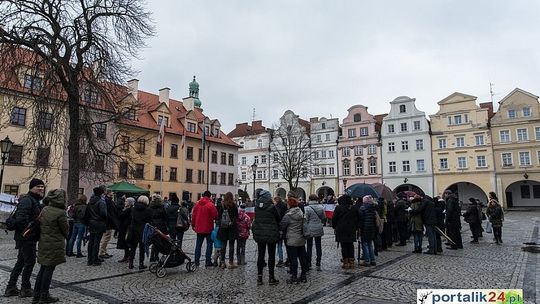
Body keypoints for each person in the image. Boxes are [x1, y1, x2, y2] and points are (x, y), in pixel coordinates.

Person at [4, 178, 44, 298]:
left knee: (21, 262)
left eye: (42, 187)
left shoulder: (34, 200)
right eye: (38, 186)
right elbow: (22, 220)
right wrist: (29, 231)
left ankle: (11, 287)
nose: (41, 189)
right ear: (32, 187)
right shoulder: (28, 200)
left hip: (27, 237)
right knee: (29, 262)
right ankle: (25, 288)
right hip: (26, 237)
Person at [33, 189, 69, 303]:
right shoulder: (60, 212)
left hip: (44, 242)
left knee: (43, 268)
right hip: (54, 244)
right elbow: (66, 230)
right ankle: (44, 296)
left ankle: (36, 295)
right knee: (49, 269)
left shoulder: (45, 209)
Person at [252, 190, 280, 286]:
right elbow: (278, 217)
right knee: (271, 256)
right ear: (268, 197)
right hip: (271, 233)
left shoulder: (256, 207)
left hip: (260, 233)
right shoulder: (272, 207)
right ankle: (271, 277)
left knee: (261, 255)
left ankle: (259, 278)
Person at [281, 195, 308, 284]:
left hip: (292, 238)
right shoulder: (301, 212)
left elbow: (282, 226)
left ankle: (294, 276)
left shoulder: (288, 215)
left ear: (289, 205)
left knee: (293, 258)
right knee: (302, 257)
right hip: (301, 238)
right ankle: (303, 275)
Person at [192, 191, 218, 267]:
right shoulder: (210, 205)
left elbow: (193, 215)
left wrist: (193, 225)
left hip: (199, 228)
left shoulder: (197, 205)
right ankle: (208, 261)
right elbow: (215, 216)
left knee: (198, 245)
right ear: (209, 196)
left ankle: (196, 262)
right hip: (208, 227)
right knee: (209, 244)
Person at [332, 194, 358, 269]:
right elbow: (358, 217)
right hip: (351, 228)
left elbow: (334, 219)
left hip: (341, 229)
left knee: (344, 245)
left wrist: (334, 226)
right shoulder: (353, 208)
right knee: (350, 245)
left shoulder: (338, 208)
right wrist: (356, 226)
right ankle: (352, 261)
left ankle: (346, 262)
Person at [128, 195, 152, 270]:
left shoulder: (133, 209)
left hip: (133, 229)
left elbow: (131, 218)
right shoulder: (148, 210)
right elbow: (149, 221)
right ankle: (141, 264)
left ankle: (130, 263)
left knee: (133, 247)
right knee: (142, 248)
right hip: (143, 231)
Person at [86, 186, 107, 266]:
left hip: (91, 222)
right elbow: (103, 213)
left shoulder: (90, 201)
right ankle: (95, 259)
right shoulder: (101, 202)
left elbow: (87, 212)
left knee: (91, 241)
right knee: (96, 242)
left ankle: (89, 259)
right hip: (99, 223)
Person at [304, 194, 325, 271]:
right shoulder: (321, 207)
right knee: (318, 246)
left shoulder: (307, 208)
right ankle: (318, 262)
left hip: (310, 228)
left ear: (309, 199)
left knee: (309, 246)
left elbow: (305, 219)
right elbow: (323, 217)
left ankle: (309, 262)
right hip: (319, 227)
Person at [218, 192, 239, 269]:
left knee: (223, 245)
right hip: (232, 228)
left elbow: (218, 217)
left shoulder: (222, 206)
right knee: (231, 245)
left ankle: (222, 262)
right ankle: (231, 262)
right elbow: (237, 216)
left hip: (223, 228)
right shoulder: (234, 206)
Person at [98, 190, 118, 260]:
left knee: (106, 238)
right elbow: (109, 212)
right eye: (112, 193)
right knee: (106, 238)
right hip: (108, 222)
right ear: (109, 194)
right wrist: (112, 219)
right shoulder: (107, 201)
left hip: (107, 222)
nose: (113, 194)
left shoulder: (106, 200)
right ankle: (101, 252)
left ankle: (103, 251)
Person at [358, 195, 378, 266]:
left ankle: (367, 260)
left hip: (365, 228)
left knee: (365, 244)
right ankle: (373, 260)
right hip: (372, 228)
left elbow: (360, 220)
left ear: (365, 201)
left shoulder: (362, 208)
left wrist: (359, 228)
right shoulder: (373, 208)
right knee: (370, 244)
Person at [149, 194, 168, 262]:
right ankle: (156, 256)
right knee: (158, 242)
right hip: (161, 227)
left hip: (152, 226)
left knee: (154, 241)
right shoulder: (162, 207)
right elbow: (165, 217)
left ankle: (152, 256)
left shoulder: (150, 207)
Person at [117, 197, 135, 263]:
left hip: (127, 228)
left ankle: (128, 257)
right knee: (125, 244)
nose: (125, 202)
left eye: (126, 201)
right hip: (123, 228)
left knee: (127, 243)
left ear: (130, 203)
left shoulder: (130, 210)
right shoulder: (126, 209)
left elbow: (121, 216)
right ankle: (126, 256)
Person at [273, 196, 287, 267]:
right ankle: (288, 259)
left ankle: (280, 260)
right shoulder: (285, 206)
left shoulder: (275, 208)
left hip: (279, 227)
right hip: (286, 227)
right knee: (287, 245)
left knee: (279, 245)